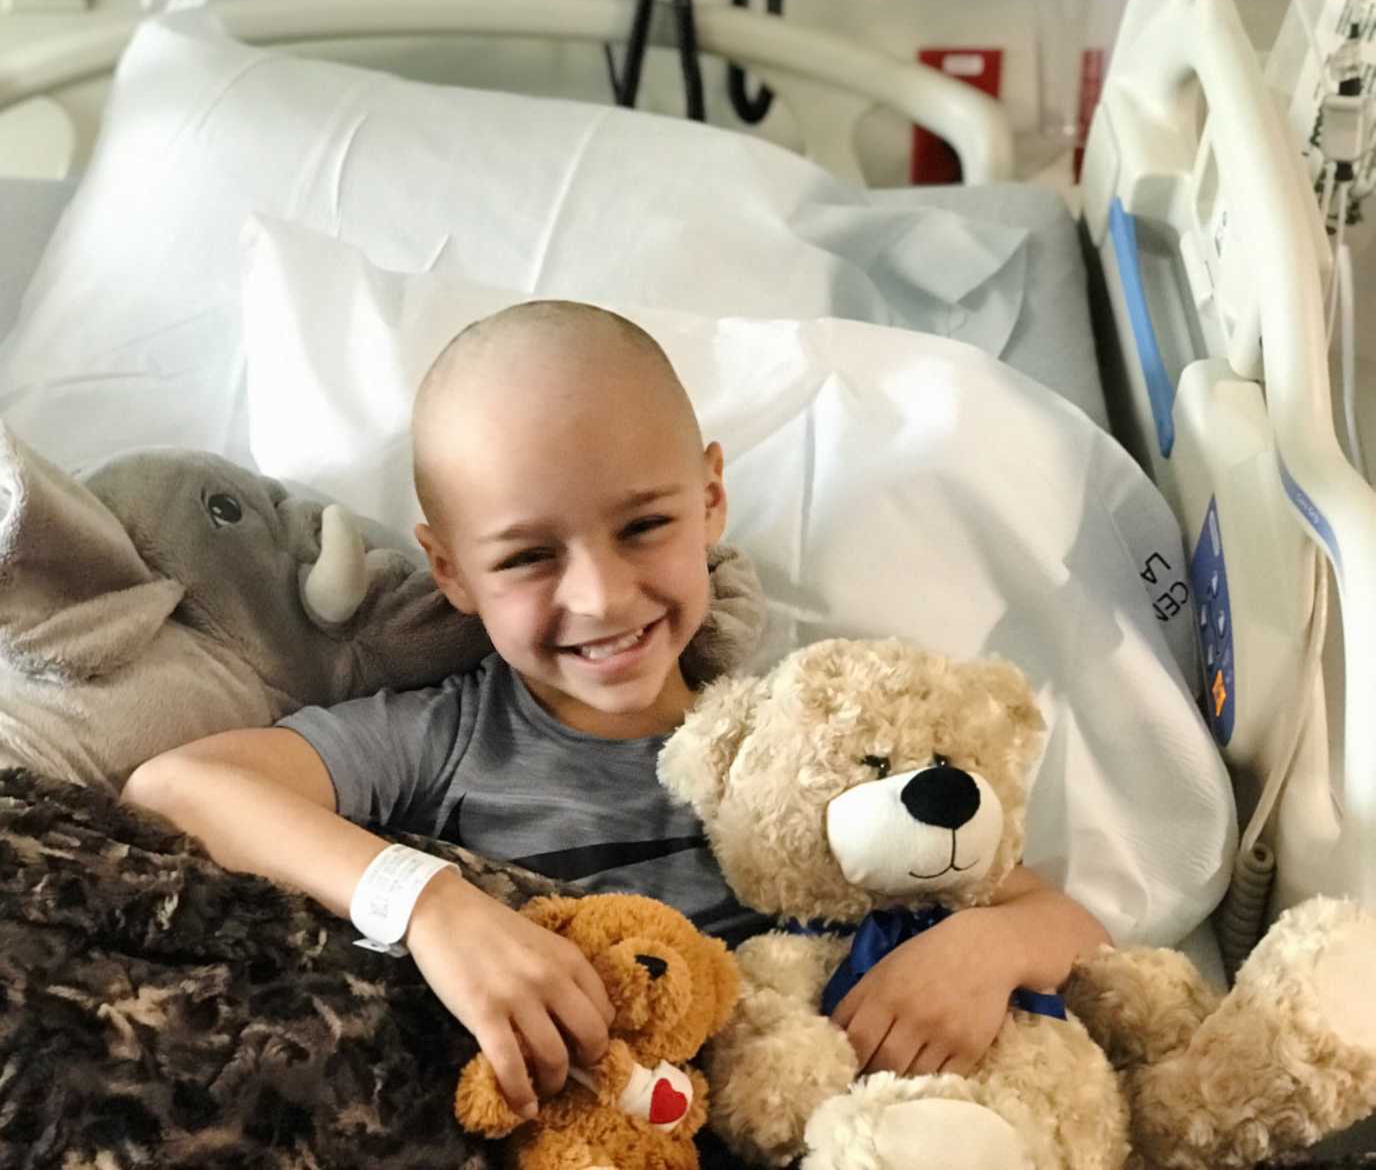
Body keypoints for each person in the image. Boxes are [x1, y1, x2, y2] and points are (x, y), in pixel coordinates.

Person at [121, 300, 1110, 1131]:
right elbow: (180, 787)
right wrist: (430, 908)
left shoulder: (799, 741)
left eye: (643, 526)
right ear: (451, 569)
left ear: (710, 496)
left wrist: (983, 949)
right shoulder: (445, 739)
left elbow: (1054, 916)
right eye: (526, 557)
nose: (599, 597)